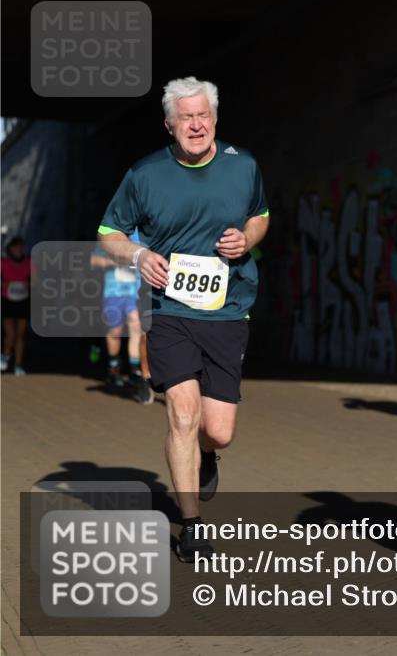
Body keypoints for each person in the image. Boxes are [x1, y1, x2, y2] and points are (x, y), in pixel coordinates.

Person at [97, 77, 270, 561]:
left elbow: (260, 215)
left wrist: (248, 238)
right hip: (168, 308)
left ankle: (207, 454)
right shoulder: (144, 174)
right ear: (169, 125)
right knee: (183, 414)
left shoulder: (244, 165)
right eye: (186, 118)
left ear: (214, 119)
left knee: (218, 430)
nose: (196, 125)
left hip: (227, 309)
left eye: (203, 116)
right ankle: (191, 526)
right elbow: (109, 233)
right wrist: (137, 256)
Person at [91, 231, 143, 389]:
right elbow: (93, 260)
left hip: (133, 293)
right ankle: (113, 368)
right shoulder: (109, 238)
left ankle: (134, 370)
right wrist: (112, 262)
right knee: (116, 331)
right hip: (113, 293)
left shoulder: (139, 238)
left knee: (135, 325)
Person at [1, 236, 31, 375]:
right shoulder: (3, 263)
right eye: (16, 247)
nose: (19, 249)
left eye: (21, 247)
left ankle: (18, 365)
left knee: (20, 335)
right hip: (7, 300)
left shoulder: (29, 263)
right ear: (10, 249)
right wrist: (4, 284)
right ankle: (6, 354)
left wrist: (28, 284)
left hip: (23, 300)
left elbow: (38, 281)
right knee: (10, 334)